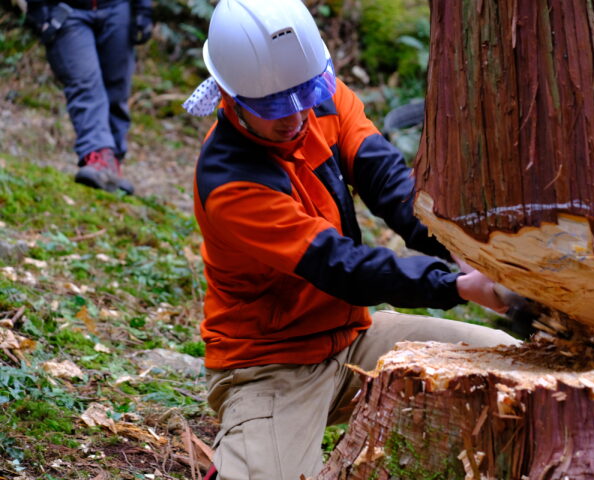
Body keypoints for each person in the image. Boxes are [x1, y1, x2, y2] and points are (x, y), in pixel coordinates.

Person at [183, 1, 520, 478]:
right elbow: (338, 264)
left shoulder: (318, 94)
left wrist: (463, 251)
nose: (296, 114)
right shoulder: (230, 182)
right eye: (276, 105)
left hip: (353, 337)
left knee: (509, 366)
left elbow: (389, 182)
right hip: (272, 364)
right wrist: (455, 286)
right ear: (230, 94)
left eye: (306, 93)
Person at [25, 0, 154, 194]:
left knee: (117, 88)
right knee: (86, 84)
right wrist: (39, 9)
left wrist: (144, 10)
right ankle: (97, 155)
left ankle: (111, 163)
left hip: (118, 8)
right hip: (67, 10)